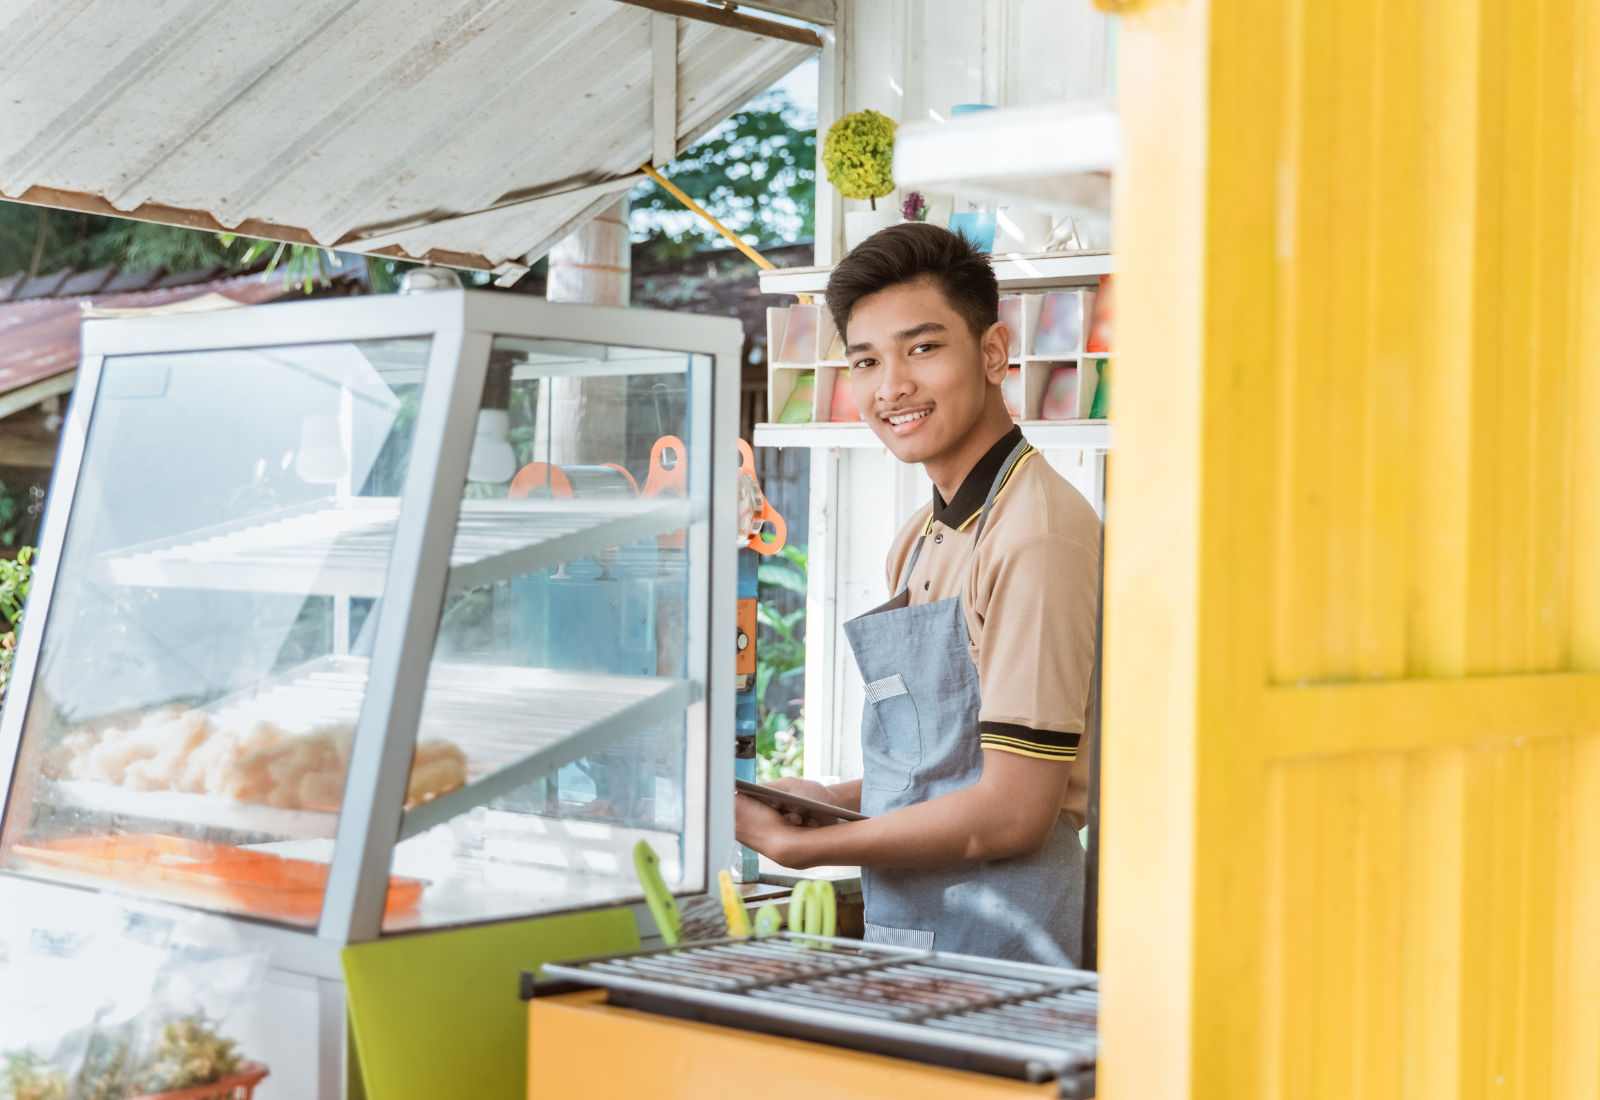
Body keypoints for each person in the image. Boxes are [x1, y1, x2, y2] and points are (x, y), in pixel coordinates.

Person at [734, 223, 1101, 966]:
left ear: (994, 352)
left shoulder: (1038, 534)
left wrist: (813, 848)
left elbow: (1013, 813)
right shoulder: (920, 535)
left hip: (1007, 945)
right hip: (914, 934)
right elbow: (955, 768)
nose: (891, 386)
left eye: (922, 348)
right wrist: (825, 799)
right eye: (866, 360)